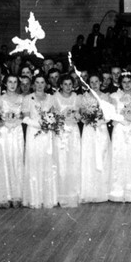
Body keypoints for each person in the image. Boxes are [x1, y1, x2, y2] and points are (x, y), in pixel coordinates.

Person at [21, 74, 58, 209]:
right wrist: (39, 124)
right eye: (37, 82)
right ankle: (34, 198)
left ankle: (48, 198)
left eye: (42, 82)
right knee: (34, 162)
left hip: (47, 134)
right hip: (33, 133)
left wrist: (49, 123)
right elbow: (25, 118)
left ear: (46, 84)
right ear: (33, 84)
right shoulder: (28, 98)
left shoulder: (51, 98)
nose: (40, 85)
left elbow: (54, 115)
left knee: (47, 162)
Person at [109, 72, 131, 202]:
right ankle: (119, 191)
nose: (127, 84)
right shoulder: (114, 96)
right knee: (121, 157)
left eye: (129, 82)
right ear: (120, 83)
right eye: (124, 82)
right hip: (120, 129)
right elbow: (112, 114)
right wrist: (123, 118)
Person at [79, 74, 112, 203]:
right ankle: (90, 191)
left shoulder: (106, 97)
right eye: (91, 82)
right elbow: (81, 115)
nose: (94, 84)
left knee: (103, 156)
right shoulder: (84, 97)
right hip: (89, 130)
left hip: (101, 128)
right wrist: (89, 120)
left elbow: (109, 115)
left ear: (101, 82)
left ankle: (103, 191)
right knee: (89, 157)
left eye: (96, 81)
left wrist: (100, 121)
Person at [0, 75, 24, 208]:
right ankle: (5, 195)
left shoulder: (22, 98)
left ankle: (17, 195)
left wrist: (16, 122)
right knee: (5, 160)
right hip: (5, 131)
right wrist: (5, 123)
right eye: (10, 82)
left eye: (15, 82)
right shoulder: (0, 99)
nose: (12, 84)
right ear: (5, 83)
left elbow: (25, 115)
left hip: (17, 130)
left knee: (17, 159)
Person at [53, 75, 82, 208]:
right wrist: (62, 116)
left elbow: (80, 115)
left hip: (73, 131)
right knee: (61, 161)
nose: (68, 87)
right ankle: (61, 194)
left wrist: (76, 116)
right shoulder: (55, 97)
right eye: (65, 84)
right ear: (61, 85)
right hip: (61, 132)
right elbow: (53, 115)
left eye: (70, 84)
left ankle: (74, 193)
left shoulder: (77, 97)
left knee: (74, 160)